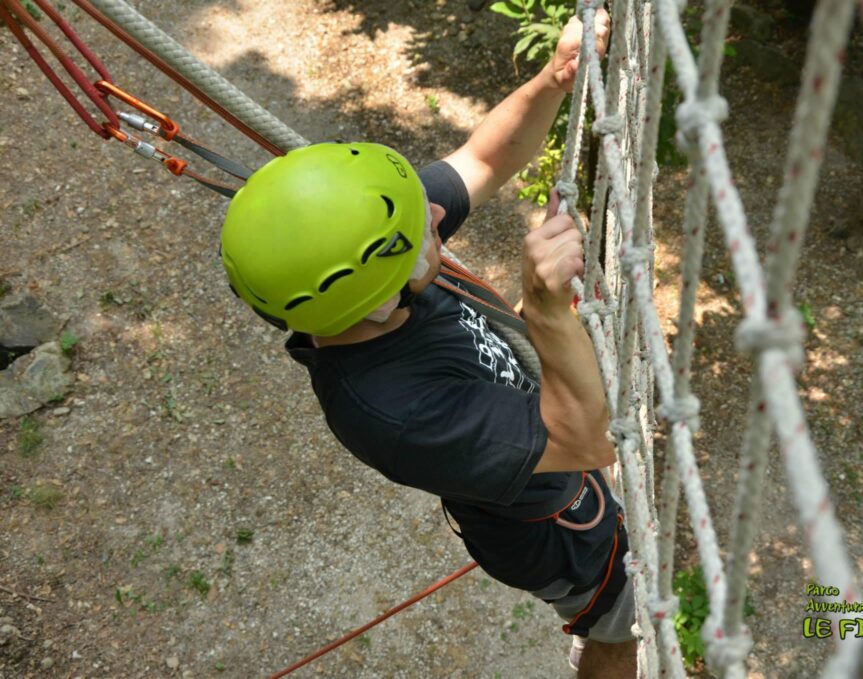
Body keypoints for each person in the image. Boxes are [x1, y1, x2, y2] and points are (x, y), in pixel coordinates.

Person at [220, 11, 636, 678]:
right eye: (423, 231)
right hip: (554, 531)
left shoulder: (370, 249)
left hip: (543, 429)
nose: (438, 215)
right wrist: (551, 314)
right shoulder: (393, 411)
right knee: (619, 621)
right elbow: (594, 440)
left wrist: (553, 81)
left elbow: (481, 158)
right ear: (380, 295)